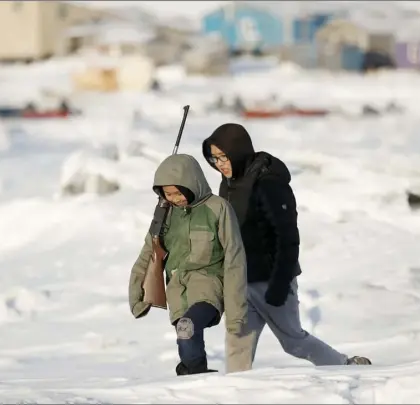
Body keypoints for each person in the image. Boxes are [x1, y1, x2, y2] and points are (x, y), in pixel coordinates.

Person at [201, 123, 372, 373]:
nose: (219, 163)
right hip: (241, 280)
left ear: (237, 152)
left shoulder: (269, 183)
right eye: (213, 158)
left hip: (271, 279)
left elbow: (288, 235)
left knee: (294, 341)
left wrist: (280, 283)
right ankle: (235, 396)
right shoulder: (228, 183)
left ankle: (346, 366)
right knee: (237, 344)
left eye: (223, 157)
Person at [128, 154, 248, 376]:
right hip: (177, 291)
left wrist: (235, 312)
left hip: (209, 286)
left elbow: (235, 258)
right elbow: (147, 254)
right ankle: (196, 379)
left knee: (187, 326)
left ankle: (194, 375)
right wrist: (137, 295)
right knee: (186, 339)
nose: (174, 198)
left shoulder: (217, 208)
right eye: (168, 193)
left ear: (192, 183)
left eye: (177, 192)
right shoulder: (164, 214)